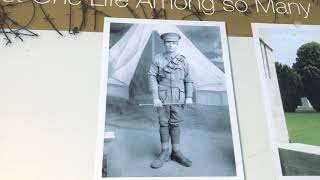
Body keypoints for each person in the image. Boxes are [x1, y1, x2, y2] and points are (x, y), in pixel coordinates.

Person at [148, 32, 194, 169]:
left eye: (174, 43)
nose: (171, 45)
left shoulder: (183, 60)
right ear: (164, 44)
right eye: (168, 43)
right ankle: (165, 153)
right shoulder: (158, 59)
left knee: (175, 124)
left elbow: (188, 80)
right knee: (163, 124)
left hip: (178, 98)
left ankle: (176, 152)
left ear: (177, 44)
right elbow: (152, 78)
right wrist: (155, 97)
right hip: (162, 99)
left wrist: (189, 96)